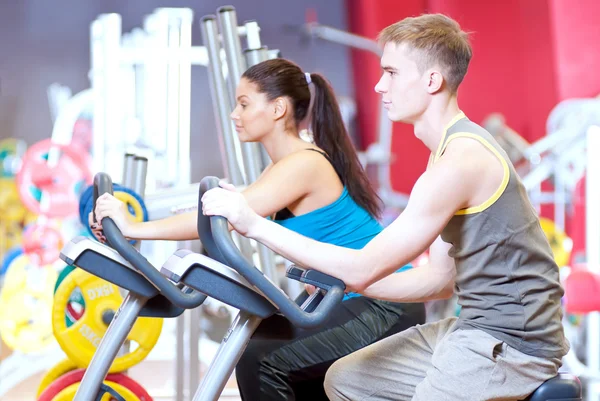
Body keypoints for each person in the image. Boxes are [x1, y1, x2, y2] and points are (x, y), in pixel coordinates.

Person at [201, 14, 570, 401]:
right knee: (346, 379)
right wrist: (342, 280)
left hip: (512, 345)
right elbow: (439, 278)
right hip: (473, 329)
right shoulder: (445, 156)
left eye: (391, 73)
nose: (379, 85)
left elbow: (363, 267)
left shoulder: (461, 162)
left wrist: (252, 223)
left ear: (432, 81)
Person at [91, 58, 425, 401]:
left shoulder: (304, 164)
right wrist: (131, 221)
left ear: (278, 108)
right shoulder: (284, 165)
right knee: (262, 346)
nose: (235, 114)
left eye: (244, 104)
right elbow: (222, 209)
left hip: (382, 303)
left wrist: (134, 226)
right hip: (343, 296)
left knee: (261, 360)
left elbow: (225, 214)